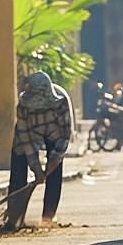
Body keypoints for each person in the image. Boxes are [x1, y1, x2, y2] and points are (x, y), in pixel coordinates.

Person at [10, 71, 74, 225]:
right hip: (30, 135)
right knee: (18, 166)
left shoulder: (61, 102)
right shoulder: (23, 106)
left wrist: (50, 166)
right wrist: (37, 169)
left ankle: (48, 217)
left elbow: (64, 137)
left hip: (54, 134)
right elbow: (26, 141)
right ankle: (14, 217)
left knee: (55, 171)